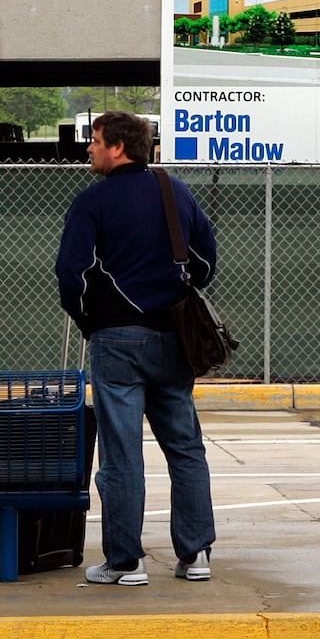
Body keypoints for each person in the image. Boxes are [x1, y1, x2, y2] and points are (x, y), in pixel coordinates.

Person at [55, 110, 217, 586]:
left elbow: (72, 275)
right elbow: (205, 260)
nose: (89, 148)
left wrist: (93, 322)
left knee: (122, 454)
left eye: (95, 140)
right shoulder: (175, 191)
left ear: (118, 147)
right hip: (174, 337)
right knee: (185, 448)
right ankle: (196, 555)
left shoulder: (92, 202)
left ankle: (126, 561)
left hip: (116, 340)